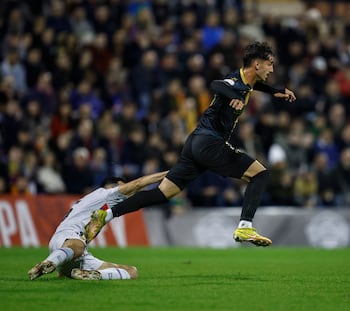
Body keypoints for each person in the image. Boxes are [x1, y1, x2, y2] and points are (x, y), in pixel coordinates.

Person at [84, 41, 296, 247]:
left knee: (162, 193)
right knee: (260, 173)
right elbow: (217, 85)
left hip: (195, 143)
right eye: (270, 63)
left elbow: (254, 85)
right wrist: (235, 97)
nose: (272, 68)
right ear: (257, 64)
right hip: (210, 143)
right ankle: (245, 225)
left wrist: (276, 91)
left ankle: (105, 214)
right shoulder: (234, 83)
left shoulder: (246, 81)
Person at [28, 171, 167, 281]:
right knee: (78, 247)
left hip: (76, 254)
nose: (129, 195)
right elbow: (138, 184)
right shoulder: (107, 194)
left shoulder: (97, 203)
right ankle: (47, 263)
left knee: (131, 272)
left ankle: (92, 275)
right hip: (67, 238)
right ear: (118, 184)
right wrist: (170, 174)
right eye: (125, 188)